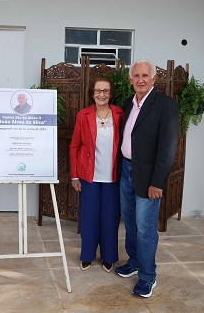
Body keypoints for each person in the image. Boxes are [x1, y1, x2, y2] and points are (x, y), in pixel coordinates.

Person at [115, 59, 179, 298]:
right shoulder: (128, 104)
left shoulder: (165, 105)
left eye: (145, 75)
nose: (140, 80)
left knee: (145, 229)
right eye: (136, 76)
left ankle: (148, 276)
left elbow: (168, 148)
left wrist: (158, 182)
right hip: (126, 171)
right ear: (131, 80)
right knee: (130, 222)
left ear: (154, 79)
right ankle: (134, 262)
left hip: (149, 178)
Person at [70, 76, 123, 273]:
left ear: (111, 93)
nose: (101, 94)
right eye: (98, 91)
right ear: (92, 93)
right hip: (88, 176)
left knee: (110, 218)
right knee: (89, 218)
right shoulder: (83, 115)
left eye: (105, 91)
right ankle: (87, 255)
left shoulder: (119, 114)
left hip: (113, 177)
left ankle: (109, 257)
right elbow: (74, 146)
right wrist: (75, 175)